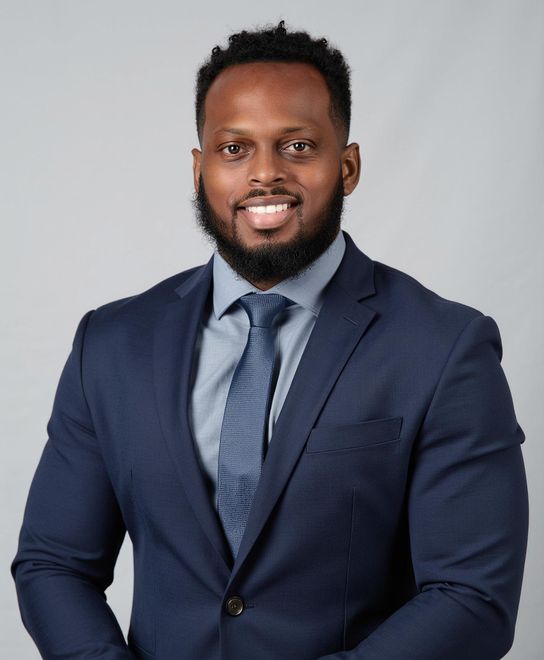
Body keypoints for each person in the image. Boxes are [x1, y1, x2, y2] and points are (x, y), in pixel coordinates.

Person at [11, 21, 528, 660]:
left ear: (348, 166)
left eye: (298, 145)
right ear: (199, 169)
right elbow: (54, 564)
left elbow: (471, 597)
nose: (265, 175)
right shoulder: (111, 344)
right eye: (234, 150)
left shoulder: (445, 348)